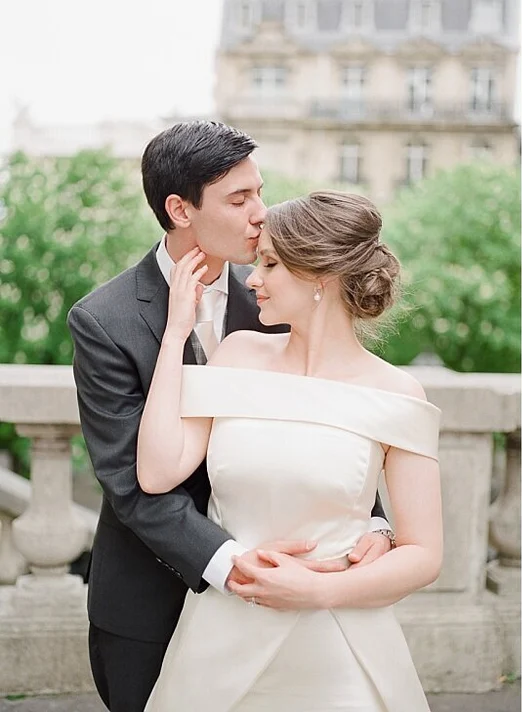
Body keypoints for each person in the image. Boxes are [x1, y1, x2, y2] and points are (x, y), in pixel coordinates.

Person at [67, 121, 394, 711]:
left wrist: (371, 523)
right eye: (239, 199)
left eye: (261, 192)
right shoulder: (104, 320)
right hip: (150, 595)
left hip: (289, 590)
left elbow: (330, 410)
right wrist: (230, 564)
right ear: (179, 209)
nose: (261, 215)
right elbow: (127, 481)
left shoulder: (280, 288)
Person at [137, 189, 442, 710]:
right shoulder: (237, 354)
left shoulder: (397, 394)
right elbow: (157, 472)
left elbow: (424, 555)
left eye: (271, 264)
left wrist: (319, 592)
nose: (252, 278)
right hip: (222, 634)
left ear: (320, 276)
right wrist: (175, 333)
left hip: (340, 647)